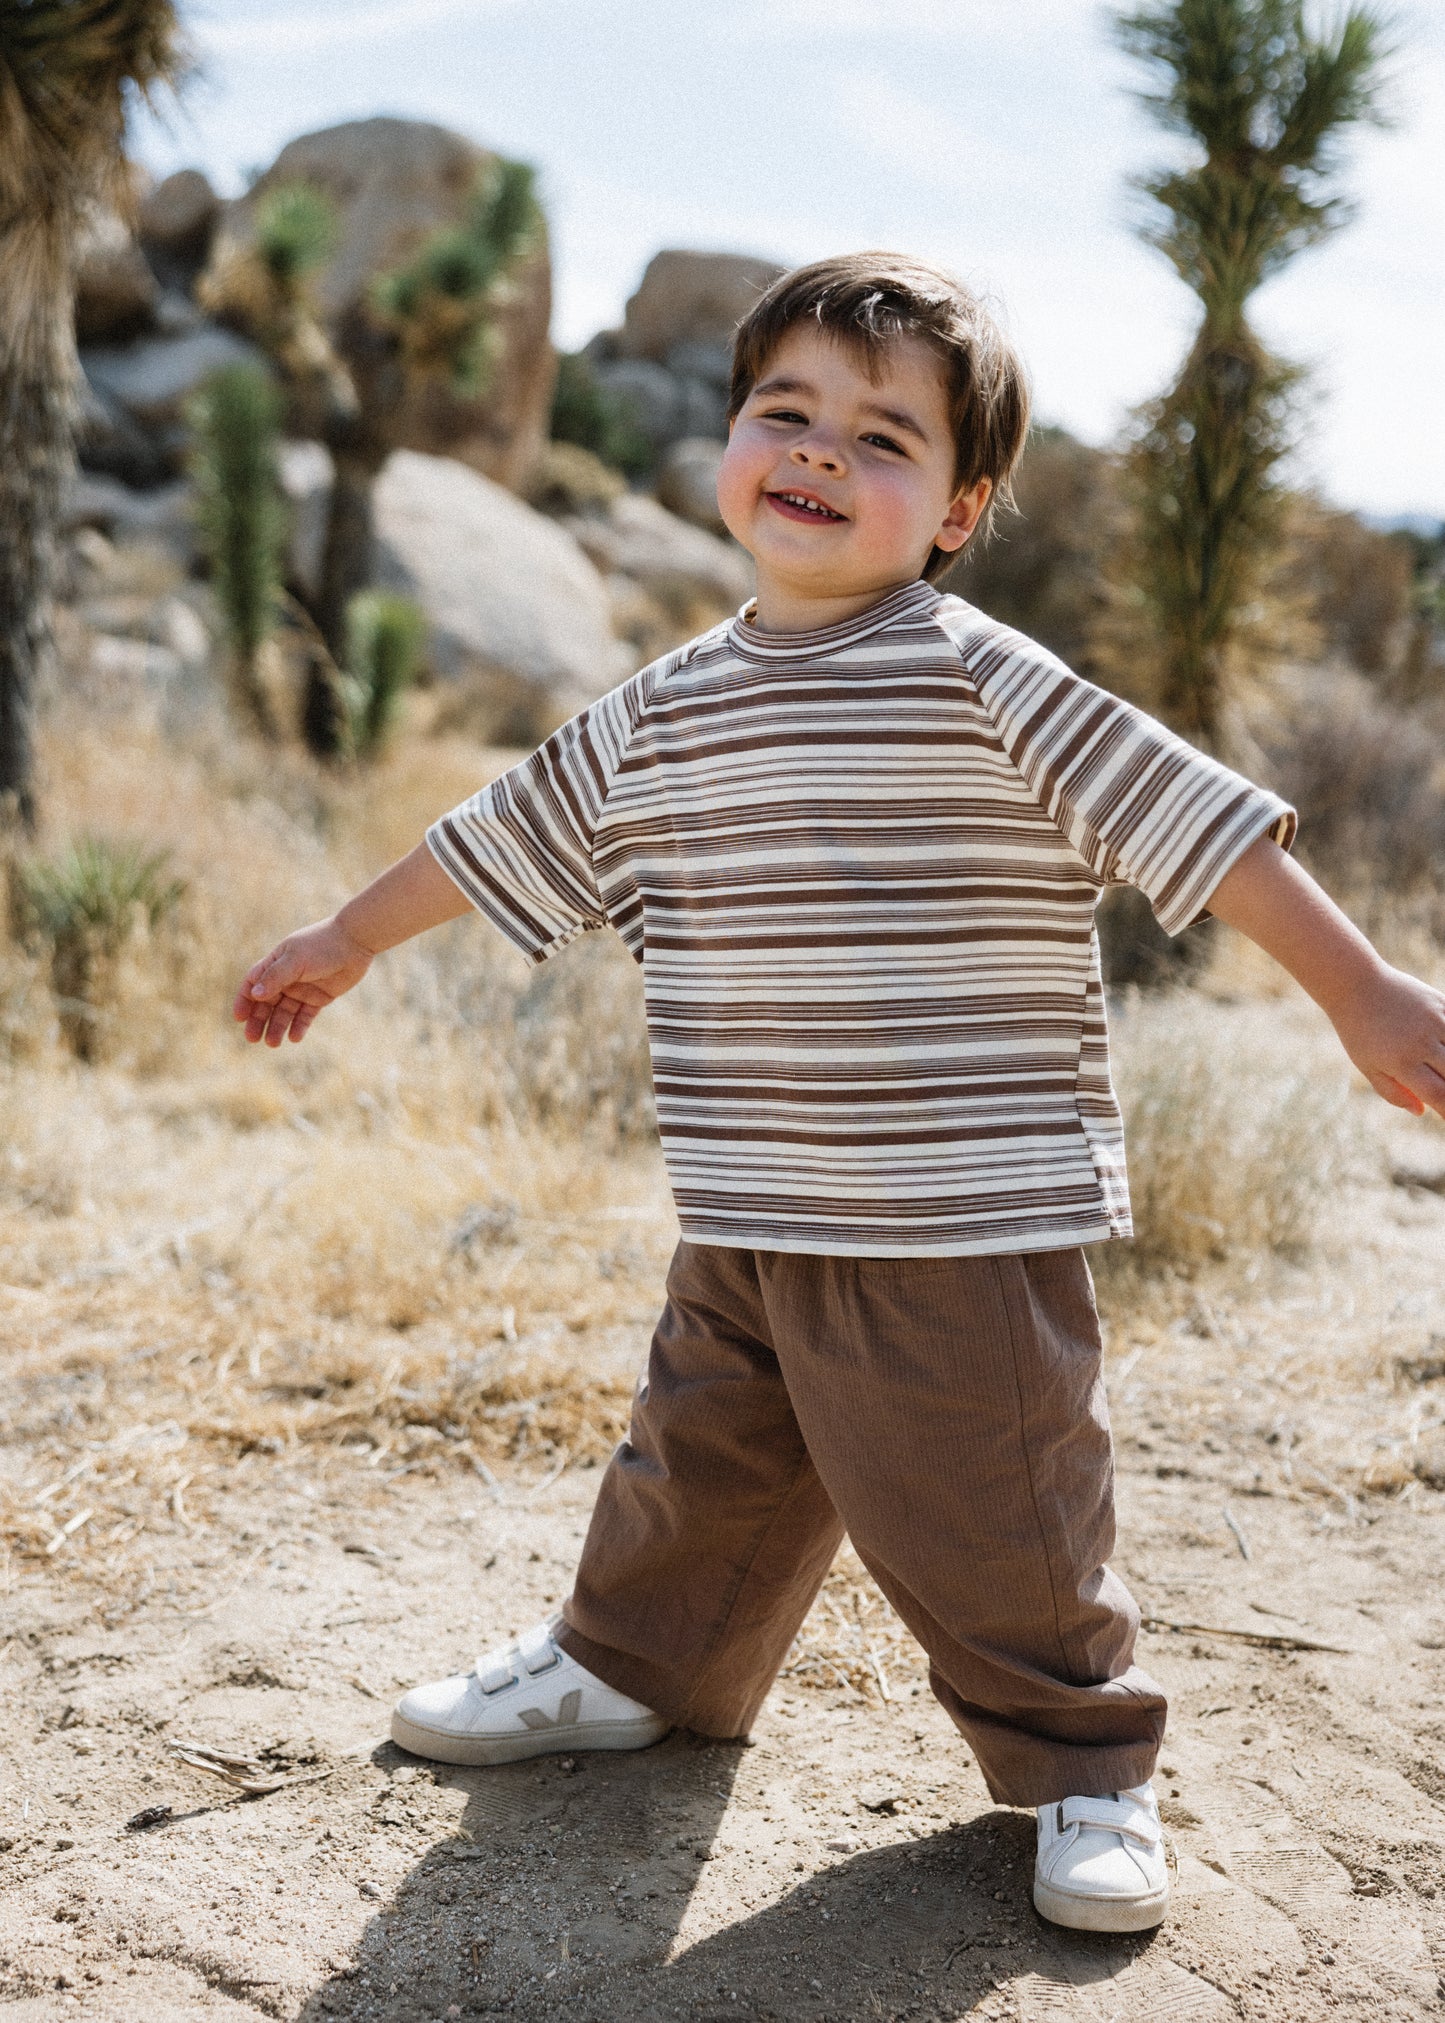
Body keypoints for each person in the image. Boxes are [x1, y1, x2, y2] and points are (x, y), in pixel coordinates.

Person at [234, 255, 1445, 1934]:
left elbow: (1196, 826)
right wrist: (344, 937)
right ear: (730, 440)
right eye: (784, 410)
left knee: (999, 1510)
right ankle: (626, 1665)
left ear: (957, 509)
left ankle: (1087, 1764)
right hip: (748, 1189)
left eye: (881, 436)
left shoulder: (976, 671)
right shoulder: (666, 707)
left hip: (955, 1204)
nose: (817, 448)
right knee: (699, 1460)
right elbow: (499, 835)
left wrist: (1363, 993)